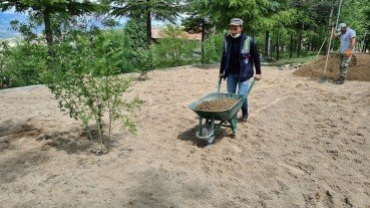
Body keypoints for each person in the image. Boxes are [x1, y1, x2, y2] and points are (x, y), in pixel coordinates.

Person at [219, 18, 262, 122]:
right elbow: (224, 57)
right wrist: (221, 71)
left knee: (241, 96)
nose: (233, 31)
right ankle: (232, 114)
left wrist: (258, 72)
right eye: (231, 28)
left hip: (244, 73)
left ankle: (245, 112)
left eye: (235, 28)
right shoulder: (227, 40)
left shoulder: (248, 40)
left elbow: (256, 56)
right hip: (231, 73)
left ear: (241, 28)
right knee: (231, 96)